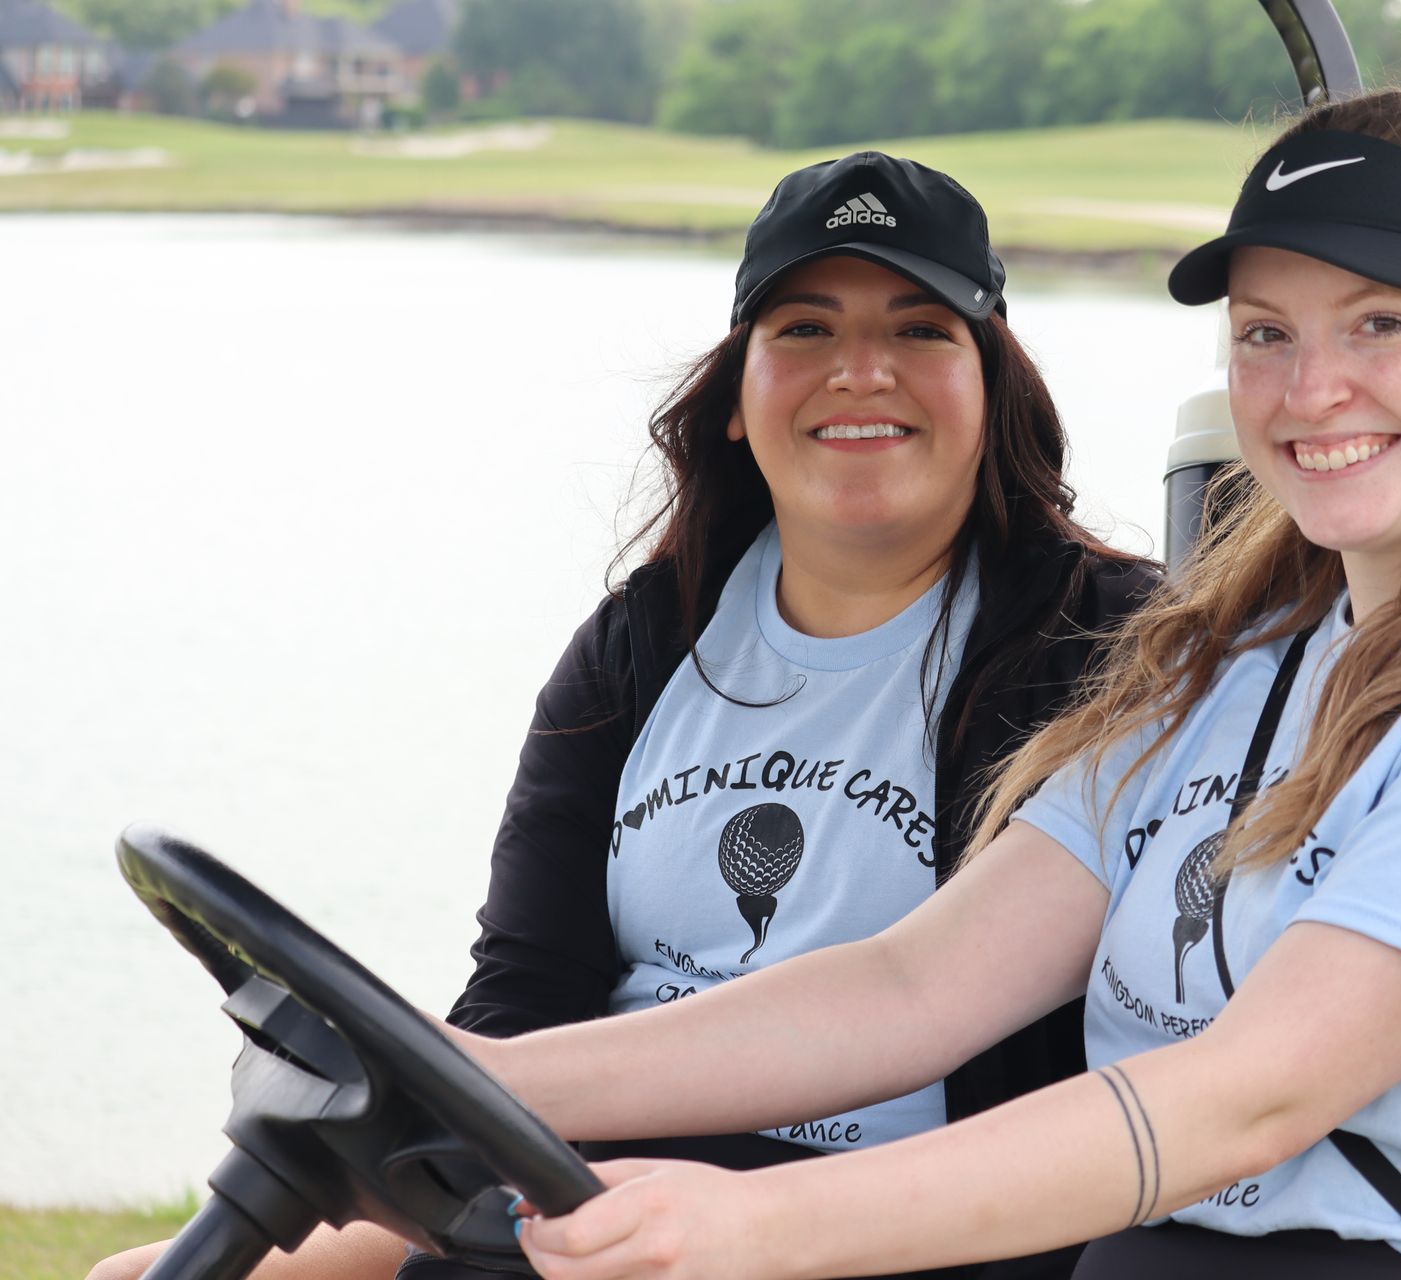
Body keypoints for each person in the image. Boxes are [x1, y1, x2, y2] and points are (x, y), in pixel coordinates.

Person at [455, 87, 1401, 1280]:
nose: (1311, 386)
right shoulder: (1223, 662)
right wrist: (481, 1075)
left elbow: (1248, 1097)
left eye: (1382, 321)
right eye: (1267, 335)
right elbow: (914, 988)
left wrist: (761, 1223)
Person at [87, 152, 1154, 1280]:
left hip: (887, 1220)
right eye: (803, 328)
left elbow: (960, 1010)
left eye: (921, 329)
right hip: (579, 1186)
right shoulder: (644, 638)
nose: (860, 371)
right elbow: (522, 990)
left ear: (992, 387)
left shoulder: (1111, 645)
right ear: (737, 397)